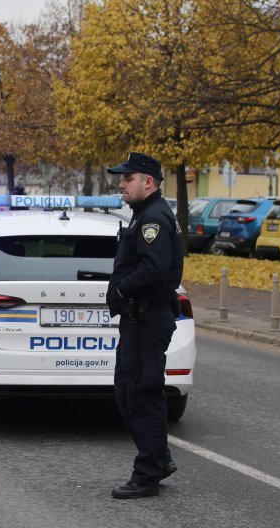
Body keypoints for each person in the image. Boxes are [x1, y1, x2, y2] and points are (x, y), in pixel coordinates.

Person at [105, 152, 183, 499]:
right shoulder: (144, 214)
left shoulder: (154, 218)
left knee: (142, 392)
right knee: (128, 389)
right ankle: (159, 458)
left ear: (147, 182)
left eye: (128, 178)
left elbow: (154, 268)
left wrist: (121, 289)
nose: (121, 184)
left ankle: (148, 474)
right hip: (139, 317)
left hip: (148, 317)